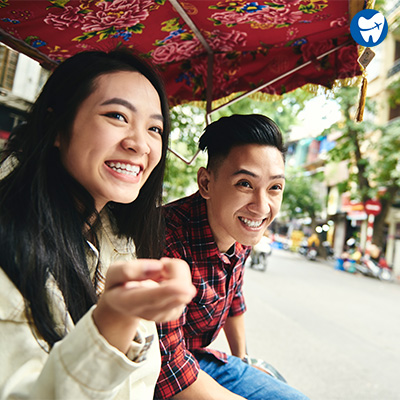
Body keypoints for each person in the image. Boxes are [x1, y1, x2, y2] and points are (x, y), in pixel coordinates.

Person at [0, 49, 196, 399]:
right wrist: (112, 322)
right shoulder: (10, 242)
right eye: (117, 116)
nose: (140, 144)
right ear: (57, 127)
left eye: (154, 128)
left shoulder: (119, 240)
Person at [155, 114, 309, 399]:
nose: (261, 208)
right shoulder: (166, 242)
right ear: (206, 183)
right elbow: (168, 370)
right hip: (160, 370)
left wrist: (243, 361)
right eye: (244, 184)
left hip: (198, 358)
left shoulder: (240, 231)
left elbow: (234, 297)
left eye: (275, 187)